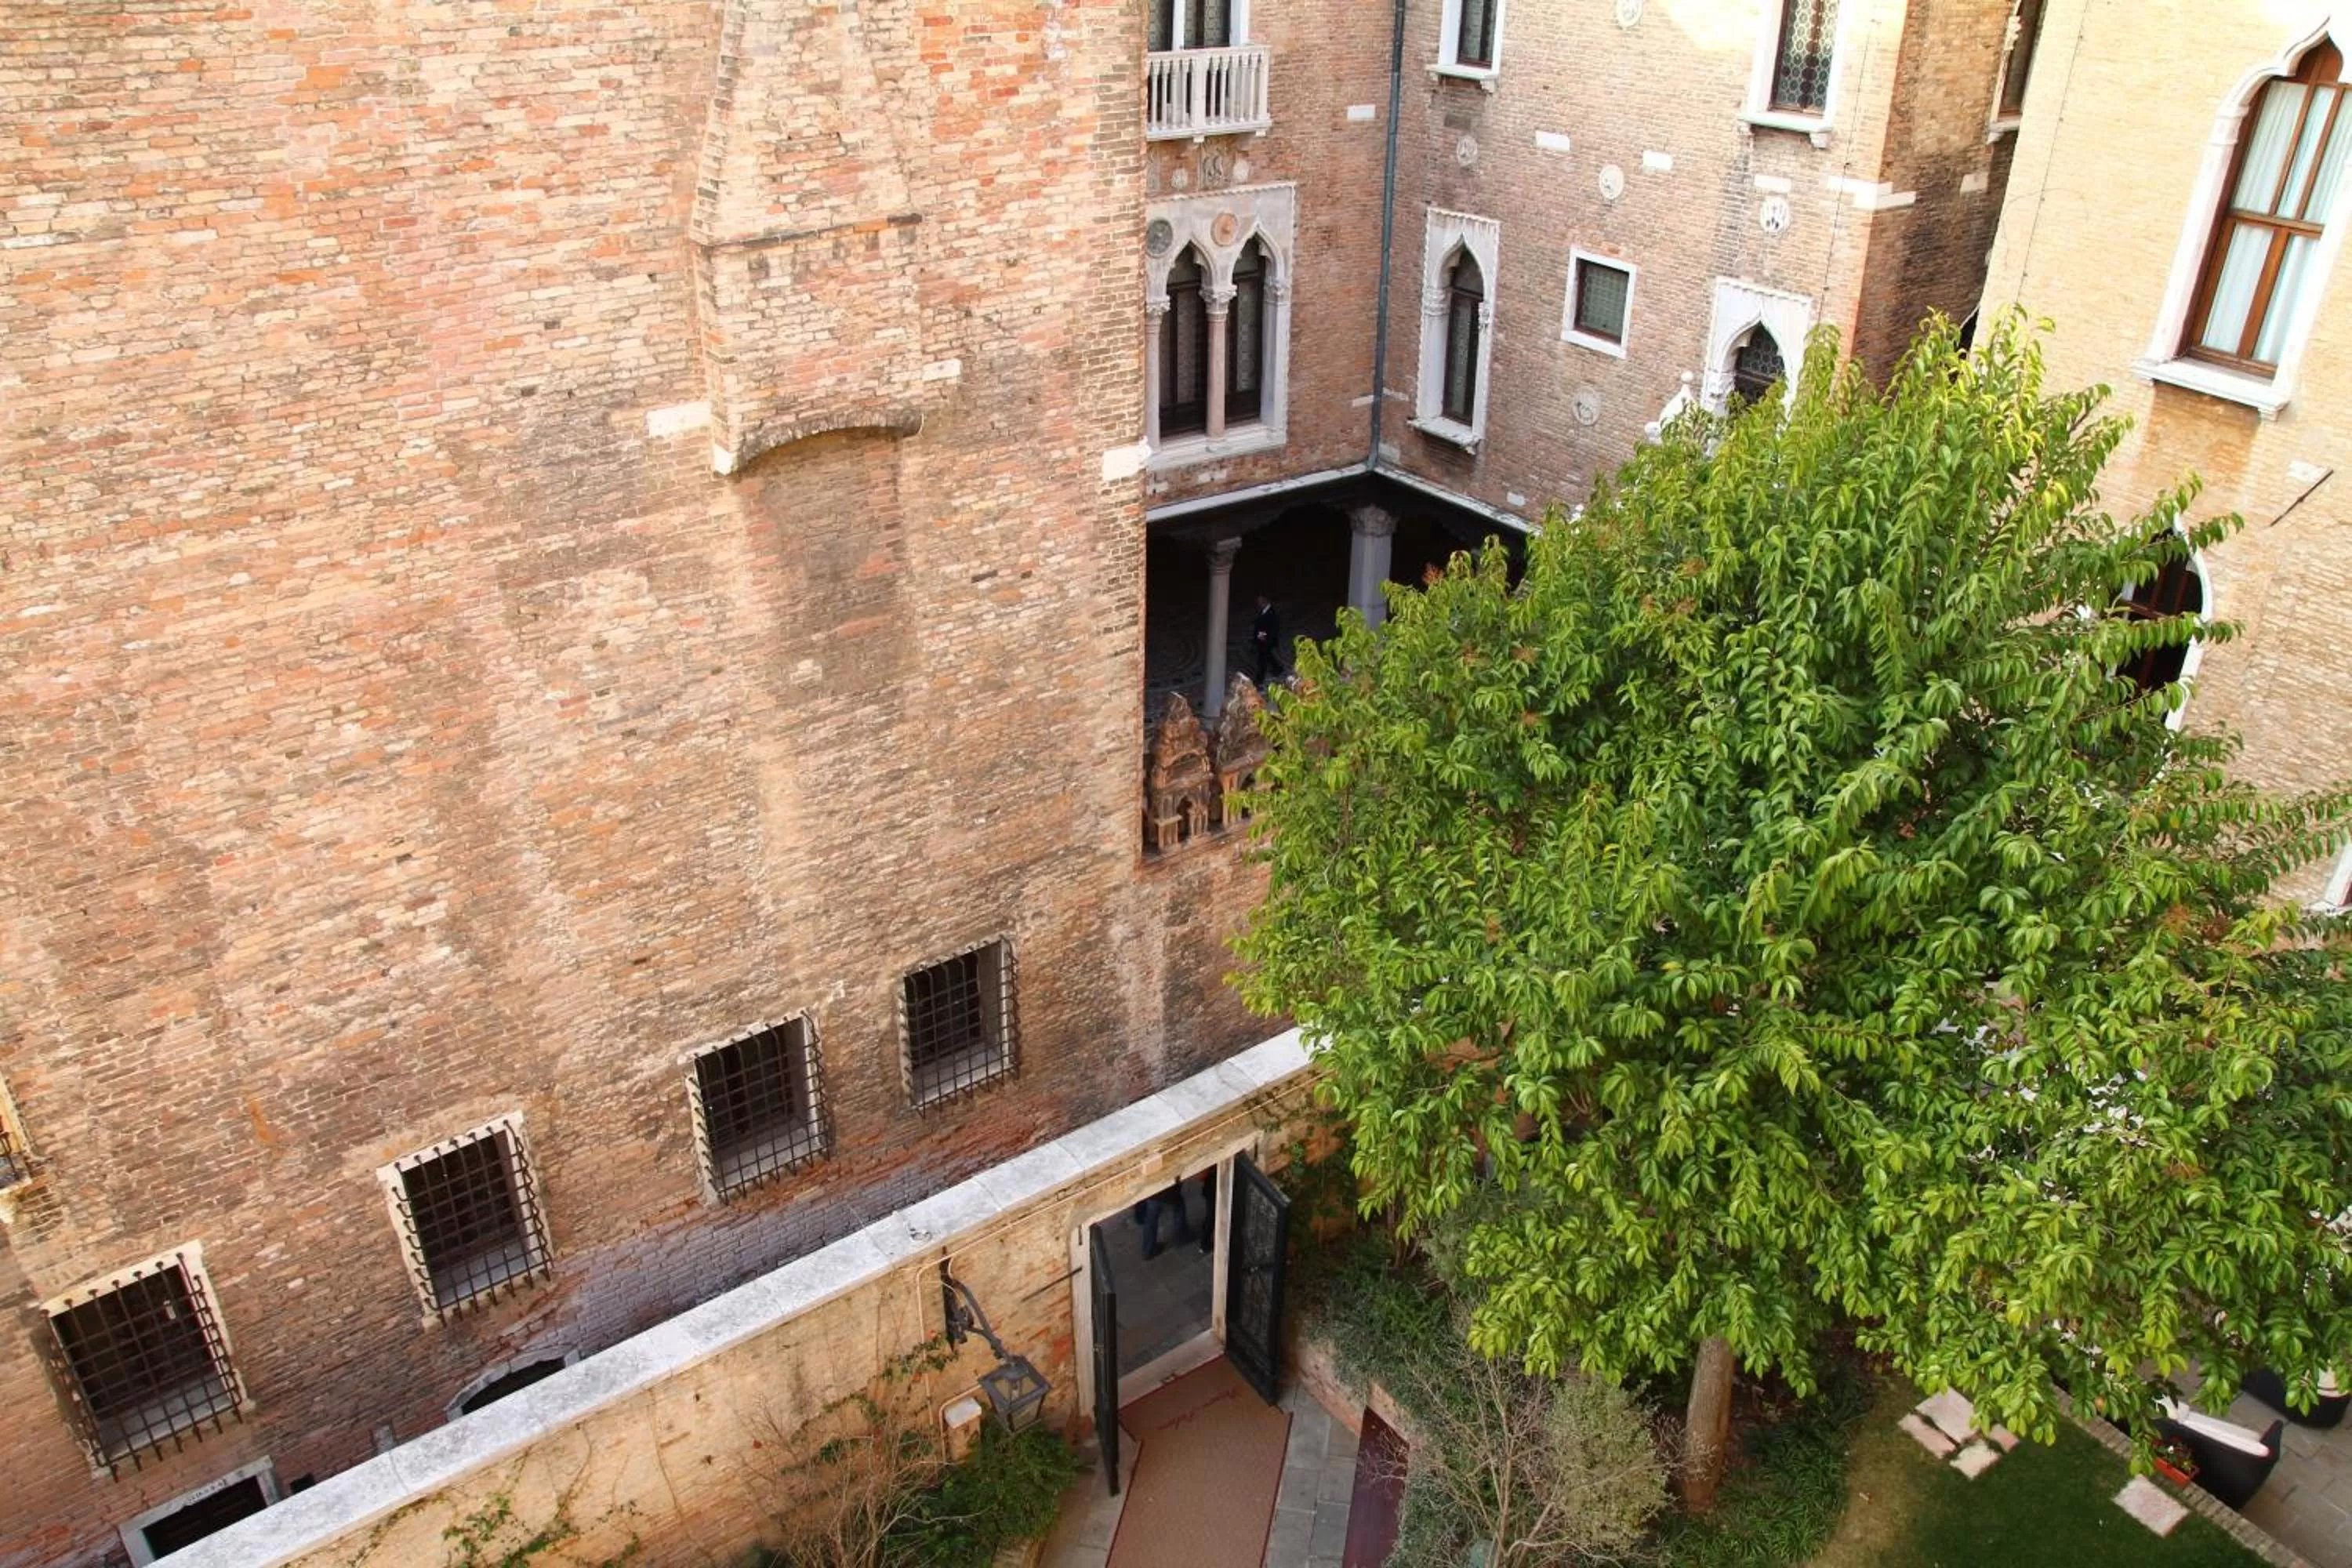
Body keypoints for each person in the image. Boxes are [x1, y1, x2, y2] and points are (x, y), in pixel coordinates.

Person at [1131, 1181, 1192, 1260]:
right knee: (1179, 1208)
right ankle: (1181, 1237)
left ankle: (1148, 1250)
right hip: (1169, 1191)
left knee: (1150, 1220)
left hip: (1152, 1193)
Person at [1252, 594, 1284, 686]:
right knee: (1268, 656)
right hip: (1263, 640)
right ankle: (1278, 669)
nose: (1258, 603)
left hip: (1267, 640)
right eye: (1258, 601)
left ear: (1266, 601)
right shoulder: (1264, 611)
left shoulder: (1272, 612)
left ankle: (1259, 680)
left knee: (1262, 660)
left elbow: (1274, 628)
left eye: (1260, 601)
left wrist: (1263, 635)